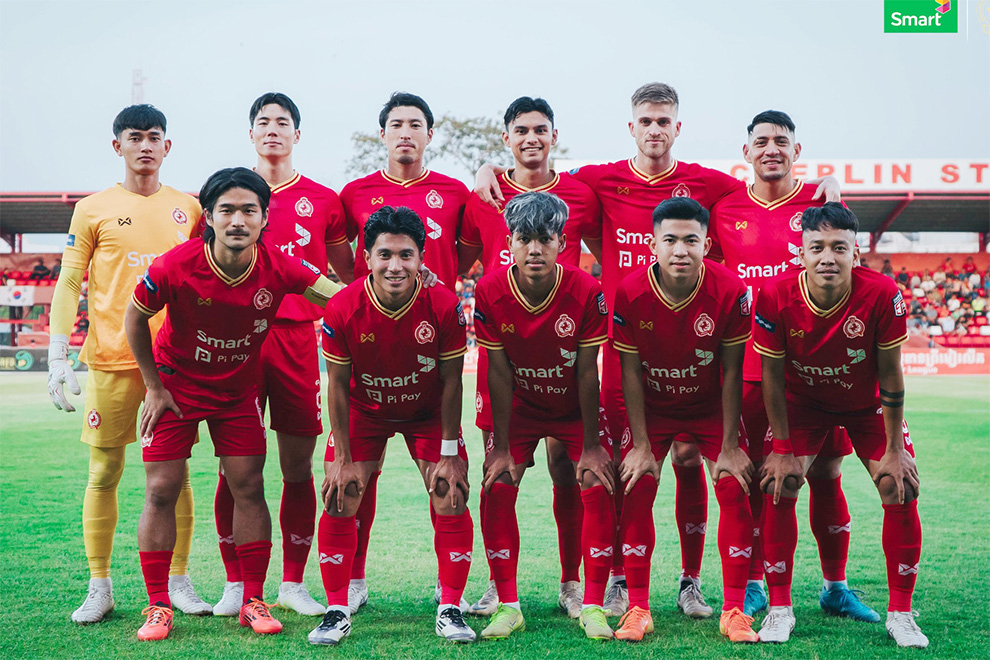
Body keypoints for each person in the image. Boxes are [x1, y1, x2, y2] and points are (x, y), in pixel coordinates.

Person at [475, 83, 840, 617]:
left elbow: (763, 193)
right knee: (619, 462)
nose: (654, 130)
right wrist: (488, 171)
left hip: (691, 343)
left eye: (663, 121)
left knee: (692, 459)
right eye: (645, 120)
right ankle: (613, 579)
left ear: (676, 127)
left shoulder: (707, 185)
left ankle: (690, 581)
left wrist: (823, 184)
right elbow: (538, 180)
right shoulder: (596, 182)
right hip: (619, 341)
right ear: (632, 127)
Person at [124, 167, 342, 641]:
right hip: (176, 389)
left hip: (235, 394)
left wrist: (401, 287)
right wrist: (154, 386)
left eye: (249, 210)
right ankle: (158, 606)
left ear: (265, 218)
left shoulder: (281, 267)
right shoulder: (174, 265)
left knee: (248, 485)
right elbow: (135, 317)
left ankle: (253, 600)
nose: (238, 220)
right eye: (227, 210)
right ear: (209, 215)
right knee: (161, 488)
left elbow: (340, 299)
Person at [706, 110, 874, 621]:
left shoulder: (821, 206)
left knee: (827, 471)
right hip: (756, 366)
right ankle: (755, 583)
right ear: (747, 152)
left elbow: (851, 271)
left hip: (820, 368)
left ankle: (835, 586)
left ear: (797, 151)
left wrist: (833, 186)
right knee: (762, 476)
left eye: (782, 141)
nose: (772, 149)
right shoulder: (724, 209)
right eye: (762, 141)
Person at [46, 104, 210, 623]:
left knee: (175, 476)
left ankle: (179, 580)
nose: (145, 145)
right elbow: (71, 281)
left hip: (175, 367)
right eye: (134, 137)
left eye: (154, 136)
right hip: (113, 362)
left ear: (168, 146)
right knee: (104, 471)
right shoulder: (92, 209)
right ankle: (100, 585)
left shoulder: (190, 208)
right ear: (117, 146)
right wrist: (57, 352)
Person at [754, 203, 926, 648]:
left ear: (855, 253)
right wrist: (782, 446)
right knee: (781, 481)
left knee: (897, 484)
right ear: (802, 253)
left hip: (864, 406)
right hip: (803, 403)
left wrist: (894, 449)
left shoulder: (882, 292)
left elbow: (891, 375)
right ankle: (779, 608)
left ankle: (902, 614)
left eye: (839, 247)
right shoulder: (773, 296)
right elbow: (770, 378)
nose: (828, 257)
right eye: (817, 247)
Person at [212, 92, 355, 618]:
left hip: (297, 340)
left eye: (283, 122)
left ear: (298, 134)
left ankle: (293, 582)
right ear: (250, 134)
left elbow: (346, 276)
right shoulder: (225, 195)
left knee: (298, 466)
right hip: (237, 343)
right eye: (263, 122)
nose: (273, 129)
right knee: (234, 469)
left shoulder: (323, 199)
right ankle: (236, 582)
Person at [459, 97, 603, 618]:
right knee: (499, 472)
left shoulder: (583, 192)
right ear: (505, 139)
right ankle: (502, 588)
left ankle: (572, 583)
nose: (531, 139)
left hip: (565, 362)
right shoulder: (481, 195)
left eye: (540, 130)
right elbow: (450, 258)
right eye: (521, 130)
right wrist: (481, 173)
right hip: (508, 358)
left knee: (571, 472)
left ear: (554, 135)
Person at [309, 205, 474, 645]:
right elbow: (338, 387)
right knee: (340, 494)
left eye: (406, 255)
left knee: (450, 490)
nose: (395, 266)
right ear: (366, 257)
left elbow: (453, 381)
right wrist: (341, 458)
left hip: (426, 412)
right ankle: (337, 609)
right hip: (365, 411)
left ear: (422, 258)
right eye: (385, 254)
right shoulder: (343, 307)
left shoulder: (442, 305)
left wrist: (450, 454)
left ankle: (451, 606)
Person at [338, 92, 471, 612]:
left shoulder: (455, 193)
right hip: (368, 354)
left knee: (446, 481)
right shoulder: (353, 194)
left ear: (430, 134)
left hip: (428, 355)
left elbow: (467, 254)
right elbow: (339, 265)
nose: (406, 133)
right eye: (396, 124)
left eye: (416, 124)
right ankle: (350, 582)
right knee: (354, 482)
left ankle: (450, 590)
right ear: (382, 134)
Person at [611, 197, 757, 643]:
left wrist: (730, 445)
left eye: (690, 240)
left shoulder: (730, 290)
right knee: (636, 481)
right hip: (653, 407)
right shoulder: (630, 291)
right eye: (669, 240)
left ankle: (733, 609)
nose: (680, 250)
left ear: (706, 244)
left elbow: (733, 369)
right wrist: (639, 444)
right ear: (652, 244)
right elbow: (629, 371)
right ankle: (637, 607)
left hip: (710, 406)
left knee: (733, 483)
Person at [472, 192, 614, 639]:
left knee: (595, 479)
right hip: (520, 408)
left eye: (545, 240)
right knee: (497, 482)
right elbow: (497, 372)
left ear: (562, 242)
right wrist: (497, 446)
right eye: (524, 239)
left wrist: (591, 446)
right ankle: (507, 603)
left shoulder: (587, 289)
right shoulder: (490, 289)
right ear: (509, 243)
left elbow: (588, 371)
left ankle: (590, 601)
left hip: (573, 408)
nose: (534, 249)